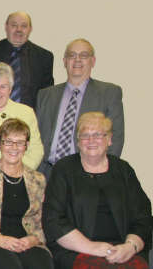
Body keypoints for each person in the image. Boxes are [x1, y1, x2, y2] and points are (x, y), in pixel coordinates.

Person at [42, 112, 151, 269]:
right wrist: (91, 247)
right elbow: (53, 219)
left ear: (109, 139)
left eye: (98, 134)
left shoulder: (123, 170)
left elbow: (143, 215)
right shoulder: (64, 169)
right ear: (78, 142)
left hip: (122, 249)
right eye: (85, 135)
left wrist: (130, 246)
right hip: (78, 250)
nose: (91, 140)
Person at [0, 118, 53, 269]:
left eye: (20, 142)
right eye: (8, 141)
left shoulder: (38, 180)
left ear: (26, 146)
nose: (14, 147)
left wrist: (33, 239)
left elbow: (44, 222)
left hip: (27, 243)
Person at [36, 38, 124, 179]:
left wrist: (99, 175)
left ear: (93, 61)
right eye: (72, 55)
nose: (77, 60)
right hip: (46, 175)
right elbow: (36, 137)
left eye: (83, 55)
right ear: (65, 61)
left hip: (87, 175)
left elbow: (116, 139)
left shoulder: (109, 93)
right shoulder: (45, 95)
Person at [0, 11, 54, 108]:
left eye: (24, 26)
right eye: (14, 25)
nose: (19, 29)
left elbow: (46, 95)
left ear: (30, 29)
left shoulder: (44, 57)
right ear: (6, 27)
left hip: (28, 118)